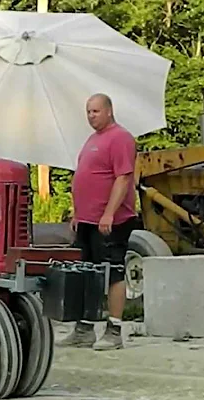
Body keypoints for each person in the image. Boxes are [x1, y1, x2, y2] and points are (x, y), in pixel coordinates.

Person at [57, 93, 138, 351]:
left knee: (113, 271)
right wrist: (77, 212)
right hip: (87, 220)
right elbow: (85, 178)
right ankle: (85, 327)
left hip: (110, 221)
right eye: (88, 112)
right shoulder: (92, 140)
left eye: (95, 111)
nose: (91, 116)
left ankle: (114, 330)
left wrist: (109, 213)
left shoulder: (120, 138)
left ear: (109, 111)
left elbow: (122, 178)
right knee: (87, 273)